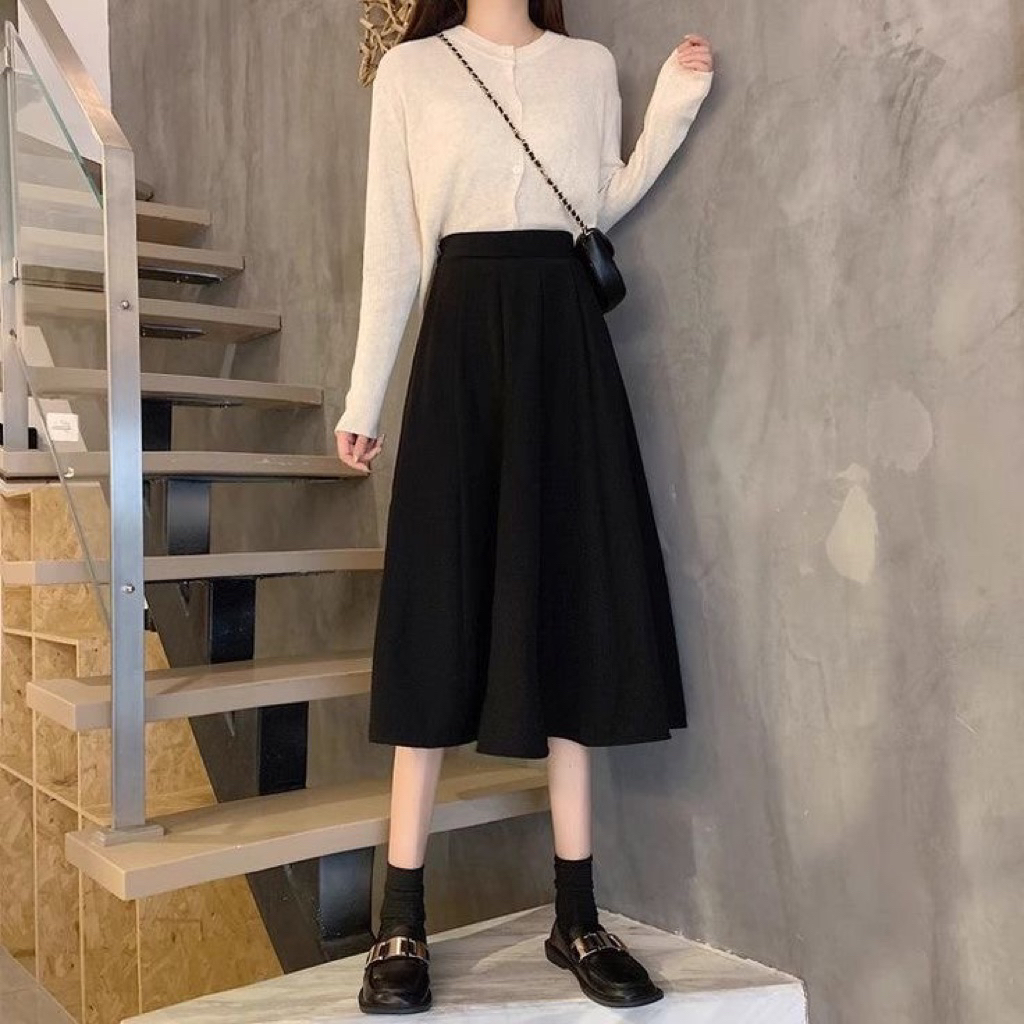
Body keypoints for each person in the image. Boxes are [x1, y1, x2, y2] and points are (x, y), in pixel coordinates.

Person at [334, 0, 714, 1014]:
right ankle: (401, 919)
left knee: (566, 602)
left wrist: (670, 109)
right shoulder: (413, 71)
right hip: (460, 342)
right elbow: (394, 243)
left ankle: (575, 915)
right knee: (436, 611)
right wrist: (364, 397)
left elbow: (599, 198)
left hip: (564, 343)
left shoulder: (587, 67)